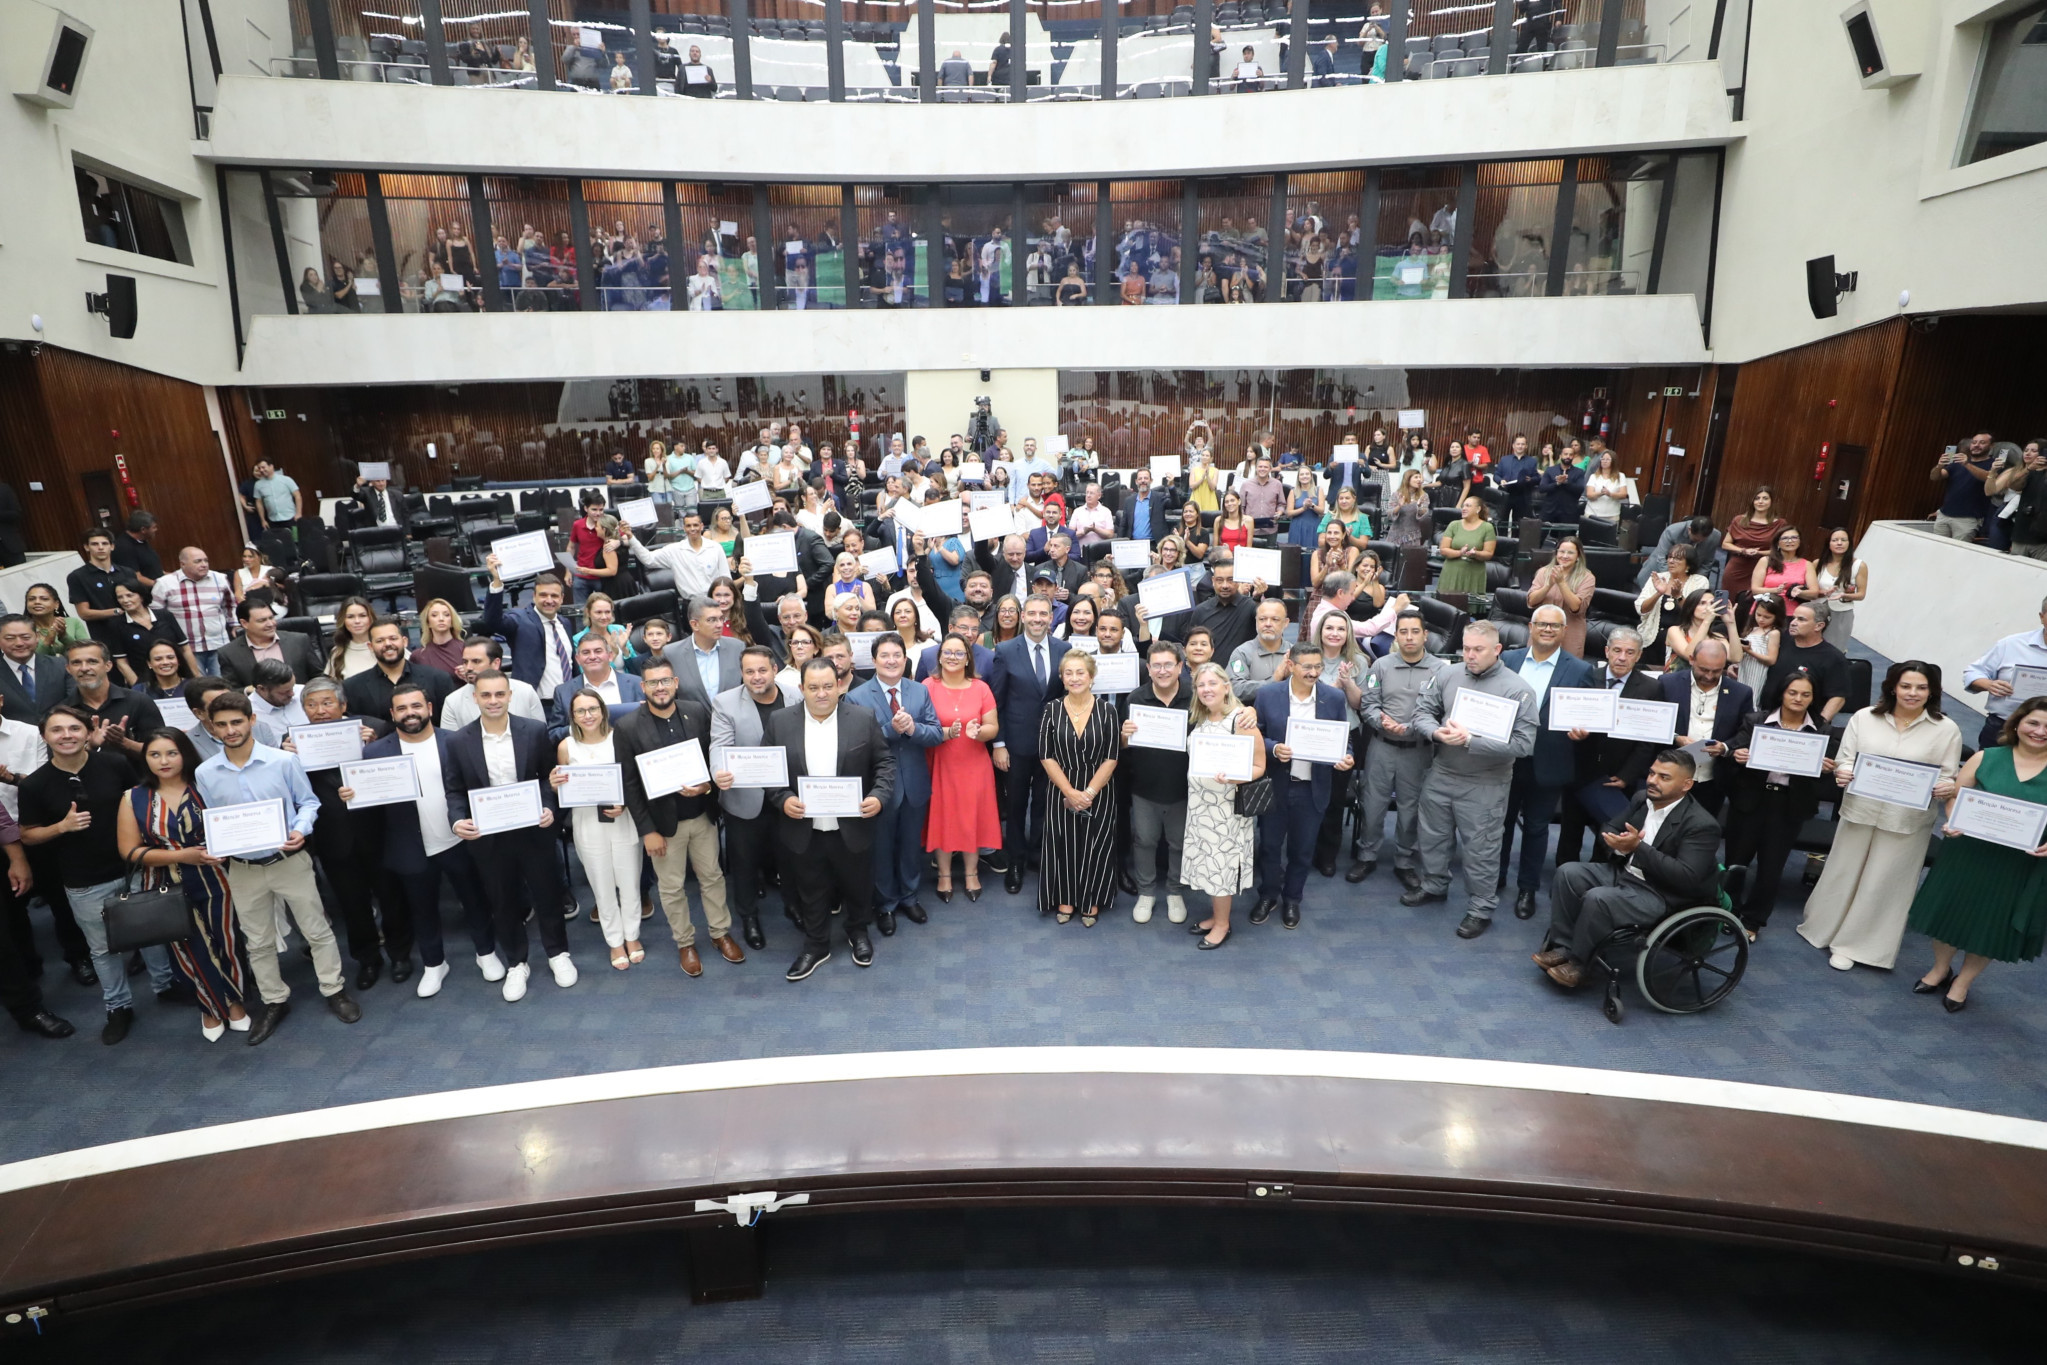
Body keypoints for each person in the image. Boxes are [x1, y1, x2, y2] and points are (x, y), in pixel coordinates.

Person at [191, 691, 358, 1044]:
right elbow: (213, 820)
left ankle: (333, 989)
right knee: (258, 941)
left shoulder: (282, 761)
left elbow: (308, 803)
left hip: (288, 860)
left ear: (252, 721)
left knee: (317, 930)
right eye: (221, 725)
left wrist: (301, 829)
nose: (230, 730)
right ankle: (273, 1000)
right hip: (242, 869)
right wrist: (215, 845)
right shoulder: (206, 772)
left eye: (237, 722)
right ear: (211, 727)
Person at [18, 706, 179, 1043]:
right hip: (84, 879)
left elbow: (141, 803)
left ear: (86, 731)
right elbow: (29, 834)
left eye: (73, 728)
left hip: (133, 866)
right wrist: (61, 827)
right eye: (57, 730)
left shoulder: (115, 764)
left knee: (153, 932)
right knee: (103, 949)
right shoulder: (35, 784)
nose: (66, 736)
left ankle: (166, 986)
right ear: (44, 736)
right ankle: (118, 1007)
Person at [1799, 660, 1963, 971]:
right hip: (1861, 809)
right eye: (1905, 686)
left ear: (1932, 692)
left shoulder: (1946, 729)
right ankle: (1822, 928)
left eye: (1921, 687)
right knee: (1843, 870)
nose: (1912, 693)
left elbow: (1947, 775)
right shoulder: (1865, 718)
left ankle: (1857, 946)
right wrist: (1845, 773)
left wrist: (1944, 787)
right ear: (1892, 687)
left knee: (1883, 882)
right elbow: (1845, 759)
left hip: (1906, 820)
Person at [1533, 750, 1722, 990]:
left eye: (1664, 777)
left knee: (1598, 898)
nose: (1653, 780)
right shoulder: (1642, 799)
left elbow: (1687, 876)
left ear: (1686, 785)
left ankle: (1580, 963)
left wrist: (1637, 847)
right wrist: (1619, 845)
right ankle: (1563, 946)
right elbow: (1610, 826)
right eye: (1652, 773)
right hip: (1626, 873)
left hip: (1662, 893)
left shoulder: (1701, 825)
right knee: (1568, 873)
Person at [1905, 695, 2047, 1011]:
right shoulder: (1986, 757)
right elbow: (1956, 795)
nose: (2039, 731)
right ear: (2018, 722)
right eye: (2033, 722)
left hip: (2018, 863)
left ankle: (1963, 981)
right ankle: (1941, 968)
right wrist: (1954, 818)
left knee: (1991, 923)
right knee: (1948, 911)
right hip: (1968, 852)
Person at [445, 670, 577, 1001]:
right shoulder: (458, 740)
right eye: (486, 695)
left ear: (509, 696)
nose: (493, 701)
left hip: (533, 830)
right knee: (502, 901)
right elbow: (455, 790)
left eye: (499, 694)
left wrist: (549, 808)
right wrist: (457, 820)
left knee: (547, 895)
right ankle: (517, 962)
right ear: (475, 697)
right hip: (489, 837)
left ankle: (558, 953)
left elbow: (548, 779)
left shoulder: (533, 730)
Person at [1404, 622, 1539, 938]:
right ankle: (1434, 885)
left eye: (1478, 649)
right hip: (1442, 772)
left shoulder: (1518, 689)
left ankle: (1481, 909)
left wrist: (1470, 741)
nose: (1470, 655)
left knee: (1481, 850)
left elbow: (1524, 745)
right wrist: (1435, 732)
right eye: (1466, 648)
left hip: (1486, 782)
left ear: (1497, 650)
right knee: (1432, 837)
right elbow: (1422, 712)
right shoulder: (1449, 674)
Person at [116, 726, 250, 1041]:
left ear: (185, 754)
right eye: (154, 754)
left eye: (172, 752)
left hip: (218, 878)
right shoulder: (133, 797)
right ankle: (209, 1006)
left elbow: (236, 825)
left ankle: (234, 1002)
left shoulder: (207, 785)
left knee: (227, 942)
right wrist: (183, 855)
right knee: (187, 949)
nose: (164, 761)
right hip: (166, 884)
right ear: (144, 758)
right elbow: (129, 851)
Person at [766, 658, 893, 979]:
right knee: (812, 889)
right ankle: (816, 944)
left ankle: (858, 932)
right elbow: (770, 772)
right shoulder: (780, 721)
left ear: (839, 685)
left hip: (852, 825)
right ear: (801, 689)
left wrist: (878, 797)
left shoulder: (862, 718)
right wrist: (783, 799)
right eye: (813, 688)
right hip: (803, 827)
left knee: (858, 885)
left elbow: (884, 764)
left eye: (827, 686)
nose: (821, 694)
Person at [613, 657, 737, 977]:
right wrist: (647, 830)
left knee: (712, 877)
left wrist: (708, 785)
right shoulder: (627, 727)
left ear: (676, 682)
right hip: (663, 826)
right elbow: (629, 784)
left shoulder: (696, 711)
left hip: (702, 815)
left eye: (665, 681)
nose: (660, 687)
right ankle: (685, 942)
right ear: (643, 687)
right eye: (653, 682)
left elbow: (715, 755)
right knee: (671, 888)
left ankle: (720, 933)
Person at [1497, 606, 1600, 919]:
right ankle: (1495, 880)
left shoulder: (1581, 669)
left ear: (1564, 630)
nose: (1547, 630)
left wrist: (1584, 732)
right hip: (1506, 758)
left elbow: (1587, 715)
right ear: (1530, 626)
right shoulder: (1509, 660)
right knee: (1499, 825)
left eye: (1554, 626)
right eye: (1541, 624)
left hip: (1549, 761)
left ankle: (1527, 888)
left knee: (1537, 828)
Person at [1248, 642, 1354, 928]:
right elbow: (1256, 734)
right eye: (1307, 666)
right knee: (1269, 847)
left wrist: (1348, 757)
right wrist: (1273, 748)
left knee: (1302, 849)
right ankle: (1268, 895)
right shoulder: (1268, 694)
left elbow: (1345, 740)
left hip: (1312, 788)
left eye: (1318, 667)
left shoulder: (1332, 698)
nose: (1313, 672)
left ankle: (1292, 898)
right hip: (1275, 784)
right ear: (1291, 665)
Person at [1724, 669, 1836, 939]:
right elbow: (1733, 751)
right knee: (1736, 862)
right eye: (1793, 692)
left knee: (1771, 868)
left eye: (1805, 694)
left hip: (1789, 805)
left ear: (1813, 698)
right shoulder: (1756, 720)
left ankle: (1753, 921)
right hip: (1751, 799)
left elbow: (1821, 781)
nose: (1798, 699)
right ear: (1782, 694)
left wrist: (1823, 768)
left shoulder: (1821, 729)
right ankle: (1726, 912)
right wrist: (1737, 754)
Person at [846, 634, 944, 932]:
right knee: (882, 847)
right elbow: (856, 746)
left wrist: (913, 728)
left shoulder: (919, 691)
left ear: (905, 659)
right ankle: (886, 903)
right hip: (879, 786)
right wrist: (889, 730)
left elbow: (937, 734)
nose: (891, 660)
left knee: (910, 845)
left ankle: (910, 896)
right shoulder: (857, 696)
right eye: (885, 655)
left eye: (897, 655)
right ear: (874, 660)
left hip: (914, 781)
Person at [1556, 627, 1668, 866]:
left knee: (1608, 834)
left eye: (1630, 652)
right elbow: (1569, 716)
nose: (1622, 657)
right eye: (1617, 650)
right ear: (1607, 651)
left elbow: (1649, 740)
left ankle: (1599, 879)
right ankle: (1563, 881)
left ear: (1638, 656)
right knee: (1569, 832)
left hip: (1619, 774)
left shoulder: (1651, 688)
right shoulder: (1586, 677)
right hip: (1580, 770)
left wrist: (1627, 775)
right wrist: (1573, 733)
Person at [551, 688, 644, 972]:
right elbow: (562, 790)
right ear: (573, 716)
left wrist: (626, 804)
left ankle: (632, 936)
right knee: (601, 885)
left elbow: (636, 780)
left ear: (603, 710)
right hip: (587, 823)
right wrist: (555, 784)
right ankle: (615, 941)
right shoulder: (566, 746)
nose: (587, 715)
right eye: (580, 711)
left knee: (629, 882)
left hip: (623, 819)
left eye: (592, 709)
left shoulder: (622, 738)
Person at [708, 646, 793, 951]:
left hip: (788, 796)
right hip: (745, 796)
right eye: (749, 672)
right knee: (744, 863)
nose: (756, 677)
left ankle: (794, 906)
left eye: (762, 670)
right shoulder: (725, 702)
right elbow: (719, 745)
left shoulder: (795, 694)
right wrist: (719, 772)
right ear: (741, 673)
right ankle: (748, 917)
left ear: (774, 669)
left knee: (792, 856)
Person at [987, 597, 1071, 895]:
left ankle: (1037, 853)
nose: (1037, 619)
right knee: (1016, 804)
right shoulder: (1006, 651)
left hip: (1053, 746)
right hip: (1016, 745)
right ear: (1023, 616)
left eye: (1043, 614)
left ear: (1052, 617)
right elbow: (996, 700)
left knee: (1044, 804)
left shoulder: (1065, 650)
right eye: (1032, 613)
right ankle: (1016, 861)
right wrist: (998, 743)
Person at [1356, 609, 1445, 888]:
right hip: (1382, 745)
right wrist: (1381, 722)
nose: (1409, 637)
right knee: (1372, 803)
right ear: (1396, 636)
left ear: (1425, 636)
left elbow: (1443, 711)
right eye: (1403, 632)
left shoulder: (1441, 670)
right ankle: (1367, 854)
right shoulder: (1380, 665)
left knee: (1411, 808)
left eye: (1415, 631)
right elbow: (1368, 704)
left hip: (1419, 750)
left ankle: (1405, 860)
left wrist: (1410, 728)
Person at [1182, 662, 1266, 949]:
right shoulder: (1203, 718)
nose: (1206, 690)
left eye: (1212, 684)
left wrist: (1235, 777)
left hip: (1226, 809)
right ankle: (1217, 915)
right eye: (1201, 685)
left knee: (1221, 867)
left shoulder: (1240, 720)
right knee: (1208, 863)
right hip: (1201, 807)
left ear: (1226, 687)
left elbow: (1259, 766)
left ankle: (1222, 924)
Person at [915, 631, 1001, 905]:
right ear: (939, 657)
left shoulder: (980, 688)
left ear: (968, 659)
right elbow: (919, 727)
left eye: (959, 653)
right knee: (942, 816)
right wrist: (942, 731)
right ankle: (943, 875)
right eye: (947, 652)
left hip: (973, 763)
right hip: (939, 762)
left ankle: (971, 872)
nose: (952, 657)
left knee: (971, 816)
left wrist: (980, 732)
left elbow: (993, 727)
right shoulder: (927, 685)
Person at [1036, 651, 1121, 925]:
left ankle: (1091, 899)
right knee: (1063, 843)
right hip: (1061, 788)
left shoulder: (1108, 711)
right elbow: (1046, 755)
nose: (1074, 678)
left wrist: (1089, 793)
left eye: (1080, 672)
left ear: (1092, 677)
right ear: (1062, 678)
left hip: (1099, 788)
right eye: (1068, 673)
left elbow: (1111, 757)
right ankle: (1065, 897)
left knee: (1095, 845)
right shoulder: (1051, 709)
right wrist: (1070, 792)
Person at [478, 565, 579, 721]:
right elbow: (493, 621)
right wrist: (497, 582)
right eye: (543, 595)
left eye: (554, 596)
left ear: (562, 598)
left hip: (569, 703)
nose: (549, 600)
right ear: (534, 596)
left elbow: (571, 664)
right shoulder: (520, 619)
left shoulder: (564, 623)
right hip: (538, 705)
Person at [62, 638, 162, 769]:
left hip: (136, 785)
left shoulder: (139, 701)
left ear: (108, 666)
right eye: (76, 663)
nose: (84, 668)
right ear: (68, 669)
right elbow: (58, 762)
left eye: (92, 661)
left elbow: (161, 750)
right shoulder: (62, 712)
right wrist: (90, 747)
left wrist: (124, 743)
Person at [1962, 596, 2047, 751]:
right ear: (2042, 617)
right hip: (2003, 727)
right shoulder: (2012, 644)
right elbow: (1972, 672)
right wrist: (1989, 684)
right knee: (1990, 772)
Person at [343, 616, 457, 725]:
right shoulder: (353, 687)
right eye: (380, 641)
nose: (387, 644)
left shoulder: (438, 679)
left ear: (405, 641)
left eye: (393, 638)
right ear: (370, 647)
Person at [1760, 601, 1854, 724]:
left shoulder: (1833, 658)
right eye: (1793, 618)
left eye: (1801, 619)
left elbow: (1838, 697)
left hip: (1804, 725)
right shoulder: (1781, 640)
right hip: (1766, 717)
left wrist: (1818, 725)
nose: (1793, 623)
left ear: (1819, 626)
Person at [443, 635, 545, 729]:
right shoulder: (453, 701)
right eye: (465, 662)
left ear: (496, 663)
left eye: (476, 661)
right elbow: (450, 744)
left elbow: (540, 736)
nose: (468, 667)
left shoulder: (526, 692)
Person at [217, 599, 321, 687]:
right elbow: (231, 690)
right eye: (262, 620)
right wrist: (248, 691)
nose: (271, 624)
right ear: (244, 623)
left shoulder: (299, 640)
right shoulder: (229, 653)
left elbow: (319, 676)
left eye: (271, 618)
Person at [67, 528, 135, 651]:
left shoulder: (127, 572)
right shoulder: (77, 577)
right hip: (104, 637)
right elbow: (84, 613)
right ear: (87, 547)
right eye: (94, 544)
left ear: (112, 546)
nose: (100, 547)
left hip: (133, 631)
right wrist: (116, 612)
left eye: (104, 543)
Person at [1527, 536, 1594, 657]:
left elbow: (1576, 607)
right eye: (1562, 551)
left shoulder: (1587, 577)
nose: (1565, 556)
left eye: (1570, 553)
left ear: (1578, 556)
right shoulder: (1543, 572)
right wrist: (1548, 585)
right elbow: (1531, 601)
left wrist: (1561, 582)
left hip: (1570, 633)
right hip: (1543, 631)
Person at [0, 612, 68, 721]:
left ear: (37, 637)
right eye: (10, 638)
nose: (19, 643)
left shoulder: (60, 665)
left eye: (25, 637)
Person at [1928, 432, 1995, 539]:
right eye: (1974, 442)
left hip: (1968, 519)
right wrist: (1939, 466)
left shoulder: (1993, 464)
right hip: (1945, 515)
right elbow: (1935, 477)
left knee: (1958, 552)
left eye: (1982, 443)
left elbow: (1988, 478)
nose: (1976, 445)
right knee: (1937, 548)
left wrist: (1967, 464)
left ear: (1991, 446)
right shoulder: (1957, 462)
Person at [1722, 486, 1789, 589]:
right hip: (1737, 568)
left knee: (1755, 602)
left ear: (1772, 501)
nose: (1760, 501)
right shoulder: (1739, 520)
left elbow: (1781, 550)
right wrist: (1743, 550)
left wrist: (1759, 553)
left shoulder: (1780, 524)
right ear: (1752, 501)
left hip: (1764, 568)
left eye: (1765, 498)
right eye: (1757, 498)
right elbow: (1725, 544)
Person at [1228, 598, 1293, 702]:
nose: (1268, 624)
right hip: (1250, 715)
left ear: (1286, 623)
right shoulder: (1242, 653)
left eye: (1275, 619)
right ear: (1256, 621)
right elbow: (1235, 689)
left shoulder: (1294, 653)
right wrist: (1273, 680)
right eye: (1262, 619)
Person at [1813, 527, 1867, 647]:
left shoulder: (1859, 565)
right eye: (1835, 540)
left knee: (1835, 648)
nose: (1839, 543)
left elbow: (1861, 594)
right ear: (1828, 543)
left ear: (1849, 543)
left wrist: (1844, 595)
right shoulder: (1818, 563)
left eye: (1843, 540)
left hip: (1841, 612)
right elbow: (1810, 588)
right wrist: (1822, 592)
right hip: (1816, 610)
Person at [1637, 515, 1723, 590]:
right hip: (1659, 571)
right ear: (1689, 529)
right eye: (1696, 539)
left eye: (1702, 540)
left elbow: (1707, 563)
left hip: (1688, 576)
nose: (1699, 542)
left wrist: (1694, 580)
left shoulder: (1715, 536)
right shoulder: (1672, 531)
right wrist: (1673, 579)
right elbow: (1661, 558)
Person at [1436, 494, 1495, 596]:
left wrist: (1475, 554)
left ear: (1478, 509)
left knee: (1470, 607)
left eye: (1468, 506)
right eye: (1463, 506)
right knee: (1447, 605)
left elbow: (1489, 553)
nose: (1463, 508)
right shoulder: (1454, 525)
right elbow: (1443, 549)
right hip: (1451, 572)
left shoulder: (1487, 527)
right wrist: (1460, 552)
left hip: (1473, 573)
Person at [1735, 593, 1784, 699]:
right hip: (1744, 667)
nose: (1761, 619)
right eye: (1758, 615)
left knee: (1753, 695)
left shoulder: (1773, 633)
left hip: (1758, 670)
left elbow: (1771, 659)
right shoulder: (1752, 629)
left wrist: (1749, 651)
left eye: (1767, 617)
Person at [1750, 526, 1816, 603]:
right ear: (1777, 543)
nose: (1790, 541)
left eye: (1794, 537)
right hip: (1767, 609)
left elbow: (1814, 593)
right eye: (1785, 538)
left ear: (1800, 541)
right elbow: (1755, 589)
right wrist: (1775, 590)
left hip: (1794, 611)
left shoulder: (1807, 564)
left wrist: (1798, 592)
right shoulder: (1765, 561)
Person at [25, 582, 89, 659]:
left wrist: (64, 636)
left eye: (44, 599)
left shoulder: (73, 622)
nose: (37, 602)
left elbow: (88, 651)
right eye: (31, 599)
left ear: (56, 604)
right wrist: (47, 642)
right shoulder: (24, 629)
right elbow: (28, 660)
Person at [324, 597, 378, 680]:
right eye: (350, 617)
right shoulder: (337, 652)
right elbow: (332, 688)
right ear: (343, 620)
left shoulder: (386, 646)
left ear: (371, 618)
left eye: (362, 616)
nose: (357, 621)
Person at [109, 511, 162, 593]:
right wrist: (162, 586)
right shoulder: (124, 547)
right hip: (146, 594)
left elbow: (154, 569)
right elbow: (135, 577)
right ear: (143, 530)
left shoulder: (142, 541)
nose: (156, 530)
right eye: (154, 527)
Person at [412, 598, 467, 676]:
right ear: (428, 623)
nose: (441, 619)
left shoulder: (466, 649)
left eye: (446, 615)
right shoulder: (418, 656)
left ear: (451, 621)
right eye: (434, 615)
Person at [249, 460, 304, 532]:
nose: (261, 470)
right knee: (278, 541)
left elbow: (297, 495)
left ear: (271, 466)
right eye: (259, 468)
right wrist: (263, 520)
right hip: (273, 521)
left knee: (295, 540)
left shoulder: (286, 480)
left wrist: (298, 513)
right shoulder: (258, 485)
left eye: (263, 467)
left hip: (291, 518)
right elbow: (259, 503)